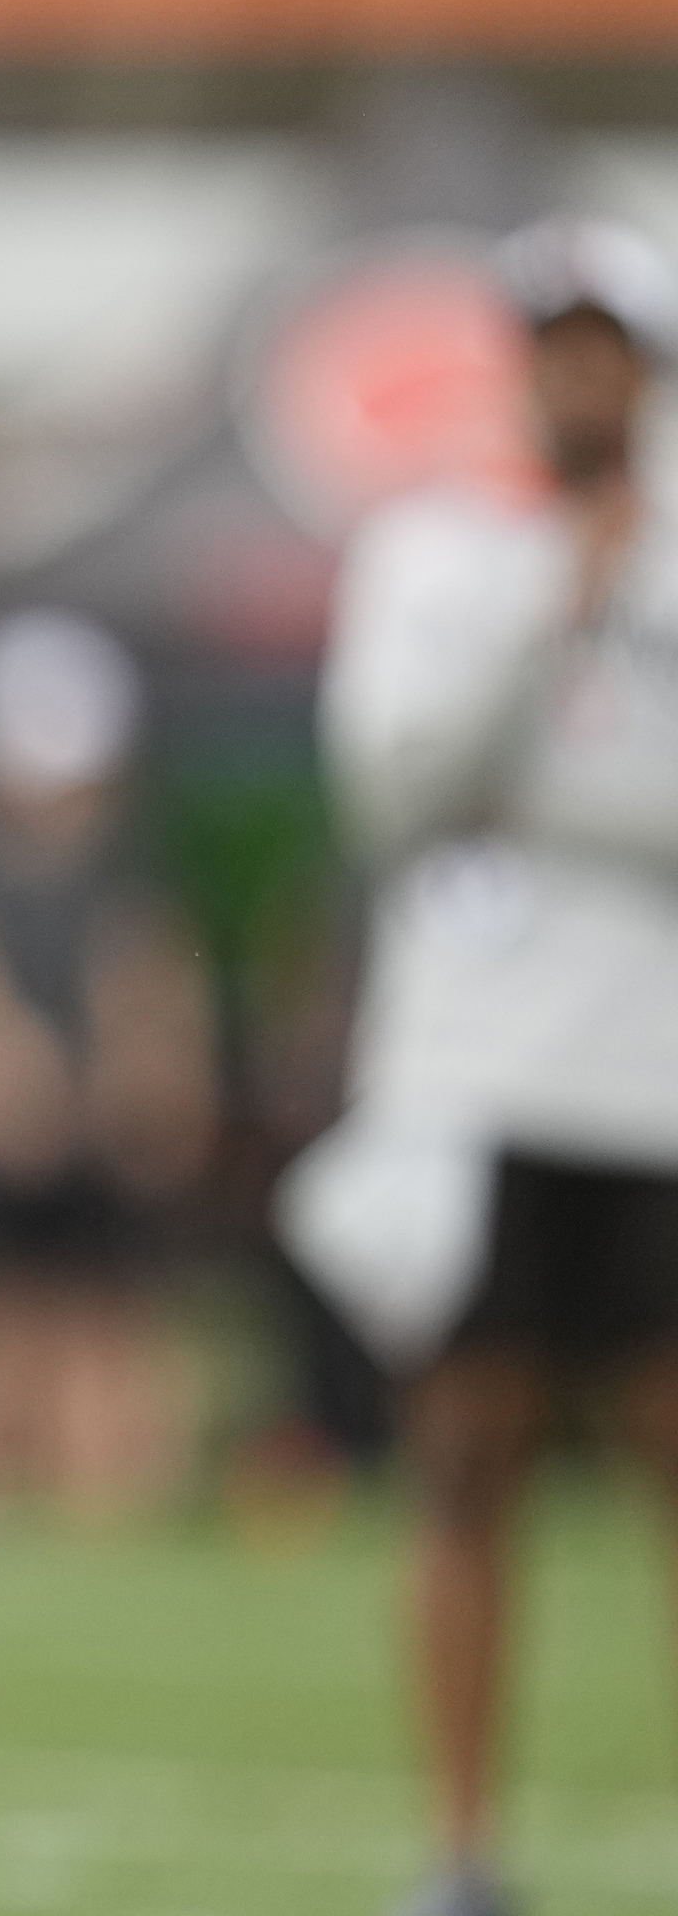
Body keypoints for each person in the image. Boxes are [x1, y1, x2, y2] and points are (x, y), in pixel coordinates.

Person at [315, 216, 678, 1916]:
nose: (582, 375)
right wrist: (561, 608)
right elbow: (397, 788)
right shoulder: (442, 551)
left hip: (653, 1084)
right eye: (559, 342)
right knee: (468, 1456)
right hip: (472, 1081)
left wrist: (544, 783)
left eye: (612, 347)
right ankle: (461, 1846)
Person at [0, 610, 217, 1521]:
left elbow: (159, 1025)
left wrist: (147, 1092)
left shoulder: (128, 890)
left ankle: (105, 1512)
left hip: (98, 1168)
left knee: (106, 1353)